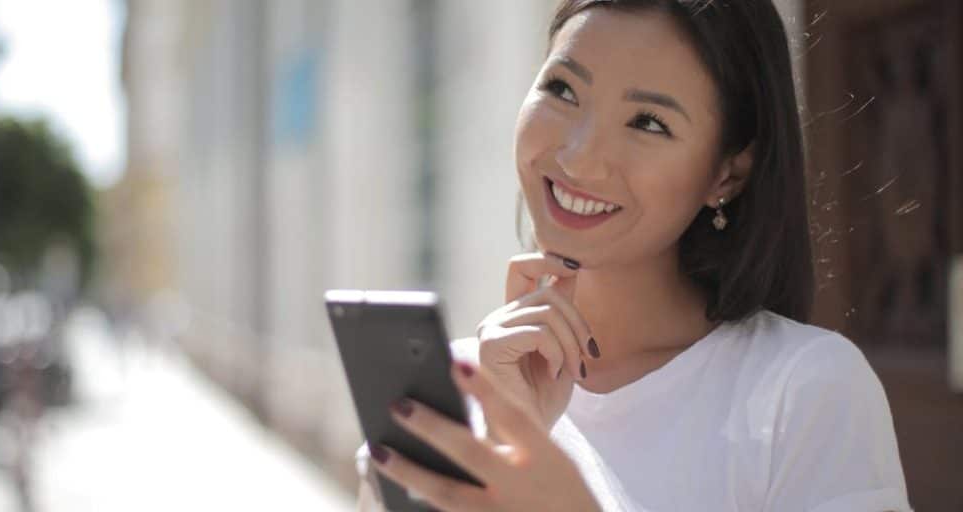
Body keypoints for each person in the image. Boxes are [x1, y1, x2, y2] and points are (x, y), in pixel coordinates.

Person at [356, 1, 912, 510]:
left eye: (648, 122)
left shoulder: (804, 390)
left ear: (727, 174)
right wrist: (499, 435)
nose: (579, 159)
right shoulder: (448, 398)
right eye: (563, 89)